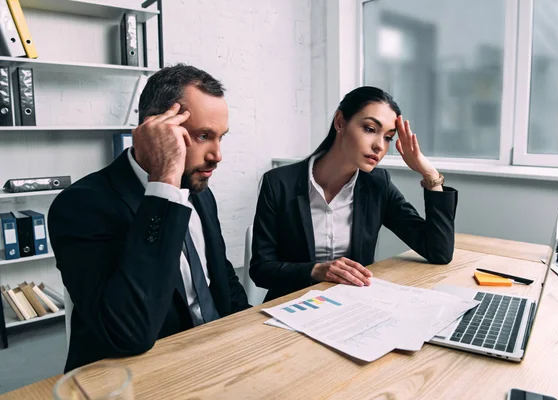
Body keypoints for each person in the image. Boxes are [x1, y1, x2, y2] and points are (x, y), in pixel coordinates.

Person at [48, 64, 250, 372]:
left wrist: (254, 334)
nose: (217, 155)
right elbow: (129, 333)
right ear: (156, 129)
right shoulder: (80, 205)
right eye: (203, 136)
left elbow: (222, 279)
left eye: (221, 137)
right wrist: (164, 181)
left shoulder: (200, 192)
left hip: (213, 355)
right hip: (134, 373)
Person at [250, 86, 457, 302]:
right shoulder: (279, 183)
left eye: (388, 137)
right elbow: (261, 270)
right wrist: (317, 270)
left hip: (351, 307)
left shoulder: (377, 185)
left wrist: (429, 173)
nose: (379, 146)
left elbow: (438, 252)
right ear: (340, 122)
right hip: (289, 307)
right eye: (369, 129)